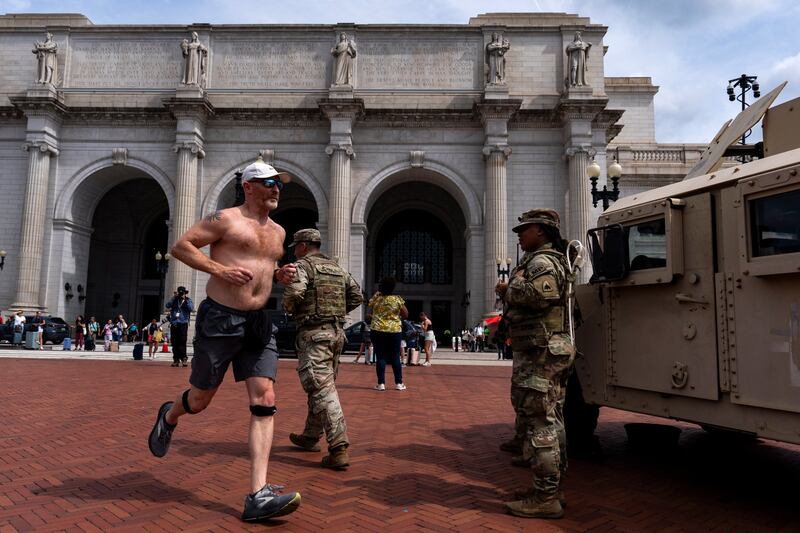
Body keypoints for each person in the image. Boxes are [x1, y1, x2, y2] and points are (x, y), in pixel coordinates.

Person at [146, 159, 301, 522]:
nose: (276, 188)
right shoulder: (225, 219)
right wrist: (220, 269)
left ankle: (257, 495)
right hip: (220, 319)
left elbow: (262, 270)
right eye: (269, 182)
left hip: (259, 322)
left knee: (266, 399)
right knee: (200, 400)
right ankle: (170, 415)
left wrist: (278, 276)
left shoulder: (278, 231)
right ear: (248, 186)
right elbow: (181, 247)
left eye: (279, 183)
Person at [496, 208, 576, 519]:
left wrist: (509, 287)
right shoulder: (549, 260)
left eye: (524, 229)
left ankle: (546, 498)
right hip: (547, 350)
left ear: (541, 231)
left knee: (541, 422)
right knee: (553, 420)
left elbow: (542, 298)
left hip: (542, 353)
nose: (519, 234)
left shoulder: (542, 262)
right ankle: (552, 490)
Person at [282, 228, 363, 469]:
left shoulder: (303, 266)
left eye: (295, 247)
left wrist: (290, 306)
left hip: (314, 333)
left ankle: (338, 447)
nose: (295, 252)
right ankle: (310, 436)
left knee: (321, 388)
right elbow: (357, 296)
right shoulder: (337, 268)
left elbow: (295, 292)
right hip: (337, 334)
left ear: (304, 246)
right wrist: (335, 313)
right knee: (321, 384)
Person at [368, 278, 408, 390]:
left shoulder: (376, 299)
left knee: (380, 356)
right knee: (395, 356)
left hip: (377, 330)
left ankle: (381, 384)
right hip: (394, 331)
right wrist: (395, 317)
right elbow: (406, 314)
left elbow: (369, 305)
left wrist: (377, 294)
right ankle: (399, 384)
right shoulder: (397, 299)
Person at [166, 286, 194, 367]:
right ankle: (176, 359)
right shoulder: (174, 300)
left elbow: (191, 308)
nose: (181, 294)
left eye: (183, 292)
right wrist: (173, 297)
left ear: (185, 293)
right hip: (174, 323)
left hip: (183, 323)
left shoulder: (188, 300)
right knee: (174, 342)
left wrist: (185, 299)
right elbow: (167, 306)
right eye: (180, 292)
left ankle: (184, 359)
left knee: (182, 341)